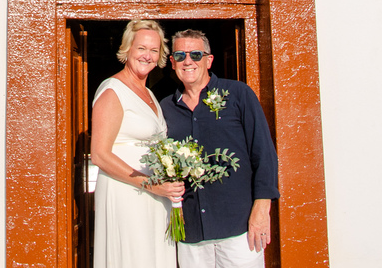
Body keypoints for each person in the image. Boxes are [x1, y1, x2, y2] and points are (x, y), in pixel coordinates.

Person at [161, 29, 279, 268]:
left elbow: (264, 154)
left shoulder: (238, 94)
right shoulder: (165, 107)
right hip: (191, 231)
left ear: (209, 59)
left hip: (239, 227)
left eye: (195, 54)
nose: (188, 61)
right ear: (172, 62)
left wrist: (262, 208)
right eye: (181, 55)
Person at [90, 19, 185, 268]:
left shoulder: (149, 93)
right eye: (141, 48)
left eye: (154, 50)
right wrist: (151, 186)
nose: (147, 56)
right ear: (128, 49)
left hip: (155, 196)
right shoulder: (113, 91)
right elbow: (99, 155)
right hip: (126, 193)